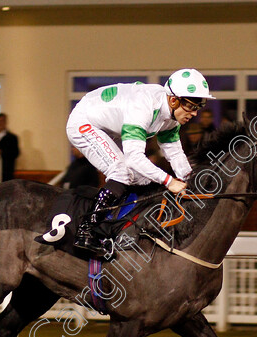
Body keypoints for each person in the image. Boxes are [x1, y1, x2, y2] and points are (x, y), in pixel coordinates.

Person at [66, 68, 212, 253]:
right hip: (84, 122)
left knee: (142, 178)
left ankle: (119, 226)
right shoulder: (143, 106)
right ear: (174, 100)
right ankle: (86, 230)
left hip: (111, 127)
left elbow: (174, 153)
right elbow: (134, 158)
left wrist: (191, 179)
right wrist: (170, 181)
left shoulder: (171, 116)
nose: (194, 114)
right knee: (121, 171)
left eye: (199, 107)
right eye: (191, 106)